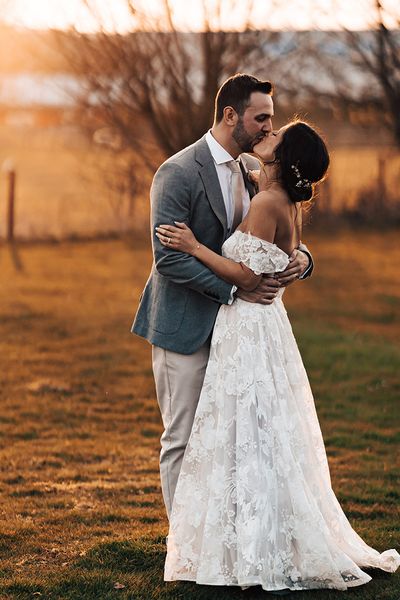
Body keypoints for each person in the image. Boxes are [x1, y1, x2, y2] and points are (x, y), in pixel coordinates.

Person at [156, 120, 400, 592]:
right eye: (264, 124)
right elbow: (285, 251)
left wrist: (194, 246)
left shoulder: (269, 201)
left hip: (249, 326)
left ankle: (247, 547)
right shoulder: (274, 193)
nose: (266, 133)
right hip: (262, 327)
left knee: (247, 431)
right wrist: (297, 253)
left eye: (275, 134)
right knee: (255, 433)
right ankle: (242, 536)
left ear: (283, 156)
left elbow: (246, 275)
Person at [132, 74, 313, 518]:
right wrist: (238, 286)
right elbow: (169, 259)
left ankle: (221, 538)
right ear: (231, 115)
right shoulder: (176, 172)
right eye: (261, 118)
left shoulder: (255, 174)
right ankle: (182, 540)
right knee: (183, 436)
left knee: (227, 437)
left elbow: (277, 233)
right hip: (185, 324)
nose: (269, 129)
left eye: (271, 119)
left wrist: (302, 260)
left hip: (238, 335)